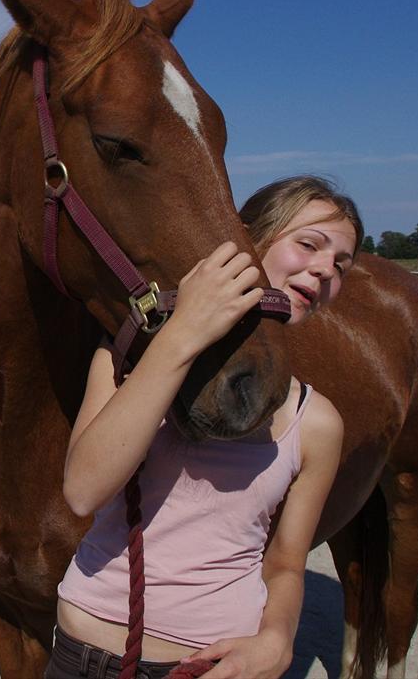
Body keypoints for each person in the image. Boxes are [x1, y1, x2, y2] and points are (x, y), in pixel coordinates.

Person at [46, 176, 364, 679]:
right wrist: (184, 333)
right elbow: (84, 490)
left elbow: (285, 562)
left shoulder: (318, 422)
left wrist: (279, 640)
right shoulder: (122, 360)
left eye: (341, 265)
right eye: (309, 244)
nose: (326, 268)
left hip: (205, 667)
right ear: (245, 241)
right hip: (80, 655)